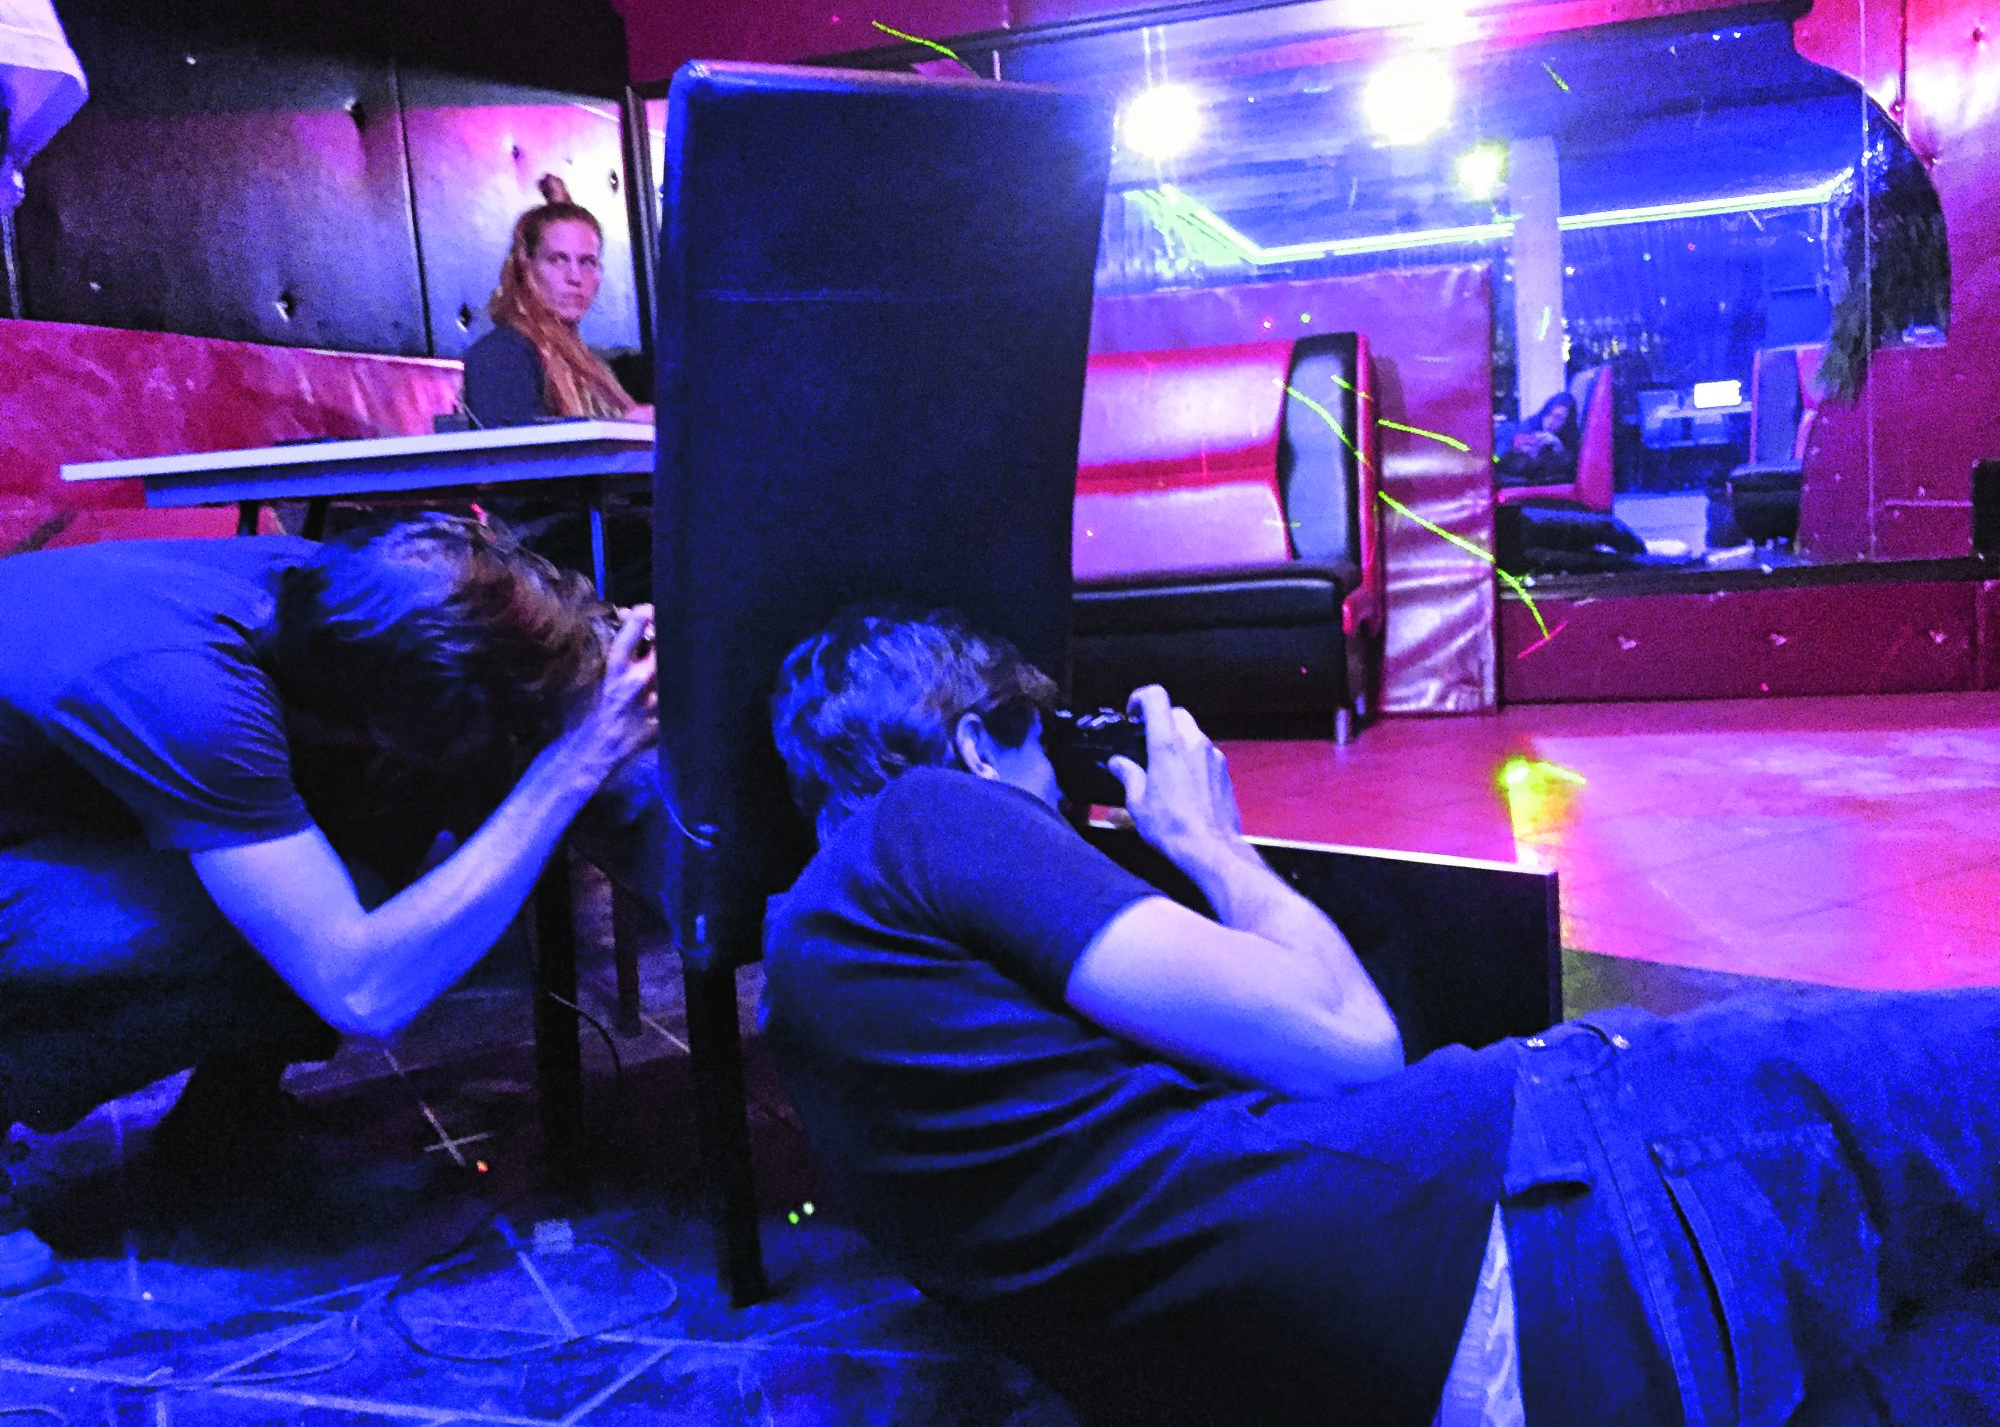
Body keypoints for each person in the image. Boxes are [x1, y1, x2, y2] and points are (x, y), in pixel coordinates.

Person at [760, 607, 2000, 1427]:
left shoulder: (832, 1027)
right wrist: (1211, 845)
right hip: (1560, 1199)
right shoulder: (925, 817)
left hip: (1514, 1358)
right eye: (1042, 758)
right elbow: (1342, 1039)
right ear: (979, 746)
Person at [0, 516, 659, 1292]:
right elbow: (363, 990)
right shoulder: (200, 703)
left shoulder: (341, 601)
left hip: (42, 800)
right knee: (335, 940)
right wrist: (573, 765)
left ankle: (225, 1127)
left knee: (369, 843)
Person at [461, 174, 651, 429]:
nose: (575, 277)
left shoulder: (597, 365)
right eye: (558, 260)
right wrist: (620, 428)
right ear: (526, 268)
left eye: (587, 262)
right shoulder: (501, 353)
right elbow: (517, 446)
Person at [1495, 390, 1579, 488]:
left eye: (1558, 418)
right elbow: (1496, 459)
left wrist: (1559, 449)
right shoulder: (1529, 426)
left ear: (1567, 421)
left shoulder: (1572, 439)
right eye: (1548, 414)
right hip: (1515, 484)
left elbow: (1569, 473)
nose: (1551, 421)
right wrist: (1521, 451)